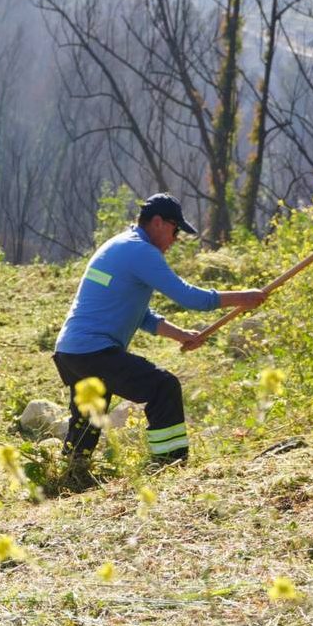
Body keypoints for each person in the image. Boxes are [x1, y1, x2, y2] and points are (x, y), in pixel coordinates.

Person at [52, 193, 266, 474]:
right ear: (157, 222)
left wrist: (180, 334)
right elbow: (190, 297)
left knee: (89, 415)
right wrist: (243, 297)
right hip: (94, 351)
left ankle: (71, 472)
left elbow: (142, 315)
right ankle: (170, 464)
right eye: (175, 230)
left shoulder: (119, 245)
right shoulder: (141, 251)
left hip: (71, 351)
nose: (175, 239)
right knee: (163, 387)